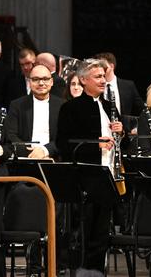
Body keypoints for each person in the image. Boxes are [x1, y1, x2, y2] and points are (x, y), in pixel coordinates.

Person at [56, 58, 124, 274]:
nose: (103, 80)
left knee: (101, 234)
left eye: (104, 76)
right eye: (97, 77)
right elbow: (64, 144)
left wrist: (121, 132)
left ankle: (96, 272)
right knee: (82, 233)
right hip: (85, 179)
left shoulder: (108, 106)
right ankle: (80, 271)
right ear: (83, 80)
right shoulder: (71, 108)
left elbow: (122, 145)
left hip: (108, 177)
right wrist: (96, 144)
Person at [2, 64, 64, 160]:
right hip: (25, 159)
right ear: (29, 82)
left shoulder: (62, 105)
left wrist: (45, 150)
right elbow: (11, 136)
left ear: (51, 82)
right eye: (35, 79)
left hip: (54, 159)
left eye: (45, 79)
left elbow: (64, 137)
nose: (41, 83)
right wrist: (33, 153)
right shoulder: (17, 105)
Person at [93, 52, 143, 116]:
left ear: (111, 66)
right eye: (97, 66)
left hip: (123, 125)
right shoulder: (93, 85)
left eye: (102, 66)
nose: (99, 69)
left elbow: (141, 109)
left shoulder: (128, 86)